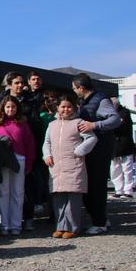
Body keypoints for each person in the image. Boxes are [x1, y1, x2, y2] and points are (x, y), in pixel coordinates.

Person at [42, 95, 98, 239]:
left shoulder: (79, 122)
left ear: (73, 108)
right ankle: (60, 227)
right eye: (63, 106)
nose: (65, 109)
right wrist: (47, 155)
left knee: (73, 198)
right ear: (58, 108)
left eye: (68, 106)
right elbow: (46, 142)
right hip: (56, 166)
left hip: (74, 165)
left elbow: (92, 138)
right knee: (58, 198)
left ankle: (73, 228)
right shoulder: (52, 124)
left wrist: (79, 151)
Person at [0, 96, 36, 236]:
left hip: (19, 159)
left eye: (13, 107)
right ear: (2, 108)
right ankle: (4, 225)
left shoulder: (22, 123)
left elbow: (30, 144)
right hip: (2, 162)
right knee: (2, 193)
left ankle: (15, 225)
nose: (10, 109)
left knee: (18, 193)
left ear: (17, 108)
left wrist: (29, 162)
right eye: (8, 107)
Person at [110, 97, 135, 199]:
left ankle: (128, 191)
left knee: (127, 169)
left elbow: (119, 126)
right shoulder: (113, 113)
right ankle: (118, 190)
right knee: (115, 170)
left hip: (125, 145)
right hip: (115, 146)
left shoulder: (124, 113)